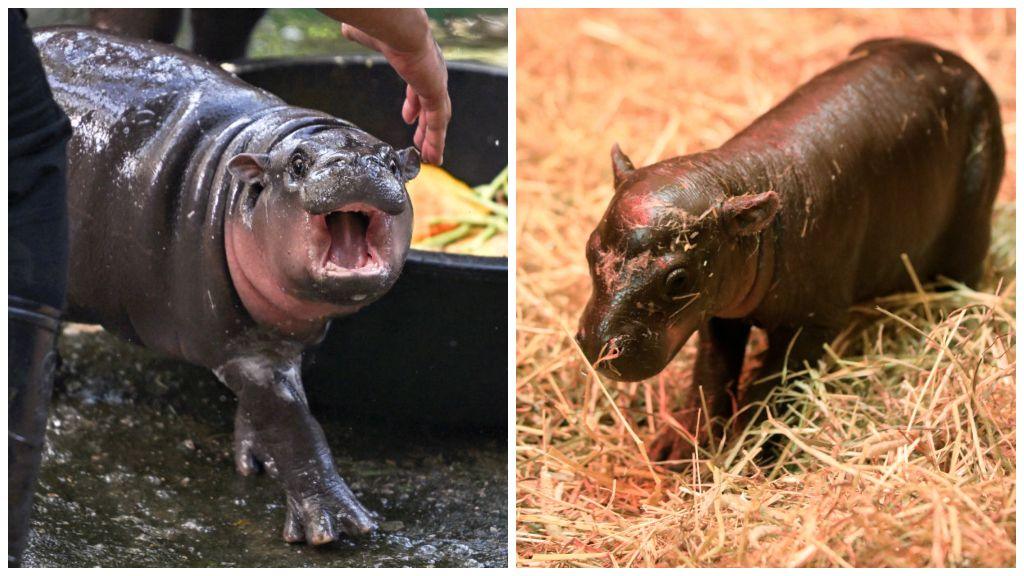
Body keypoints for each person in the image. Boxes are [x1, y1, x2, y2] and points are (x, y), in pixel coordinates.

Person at [7, 8, 450, 566]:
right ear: (251, 179)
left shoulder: (280, 227)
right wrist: (413, 39)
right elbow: (258, 361)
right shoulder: (222, 218)